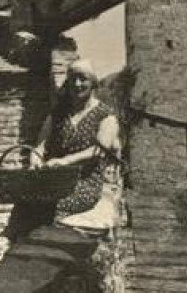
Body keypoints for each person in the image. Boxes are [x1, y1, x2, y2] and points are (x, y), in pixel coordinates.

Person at [30, 58, 120, 218]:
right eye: (72, 79)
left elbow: (99, 151)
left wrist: (65, 161)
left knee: (47, 206)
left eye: (83, 79)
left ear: (93, 83)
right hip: (53, 179)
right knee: (25, 200)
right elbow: (40, 146)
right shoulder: (58, 114)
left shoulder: (106, 115)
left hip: (83, 182)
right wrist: (35, 159)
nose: (77, 84)